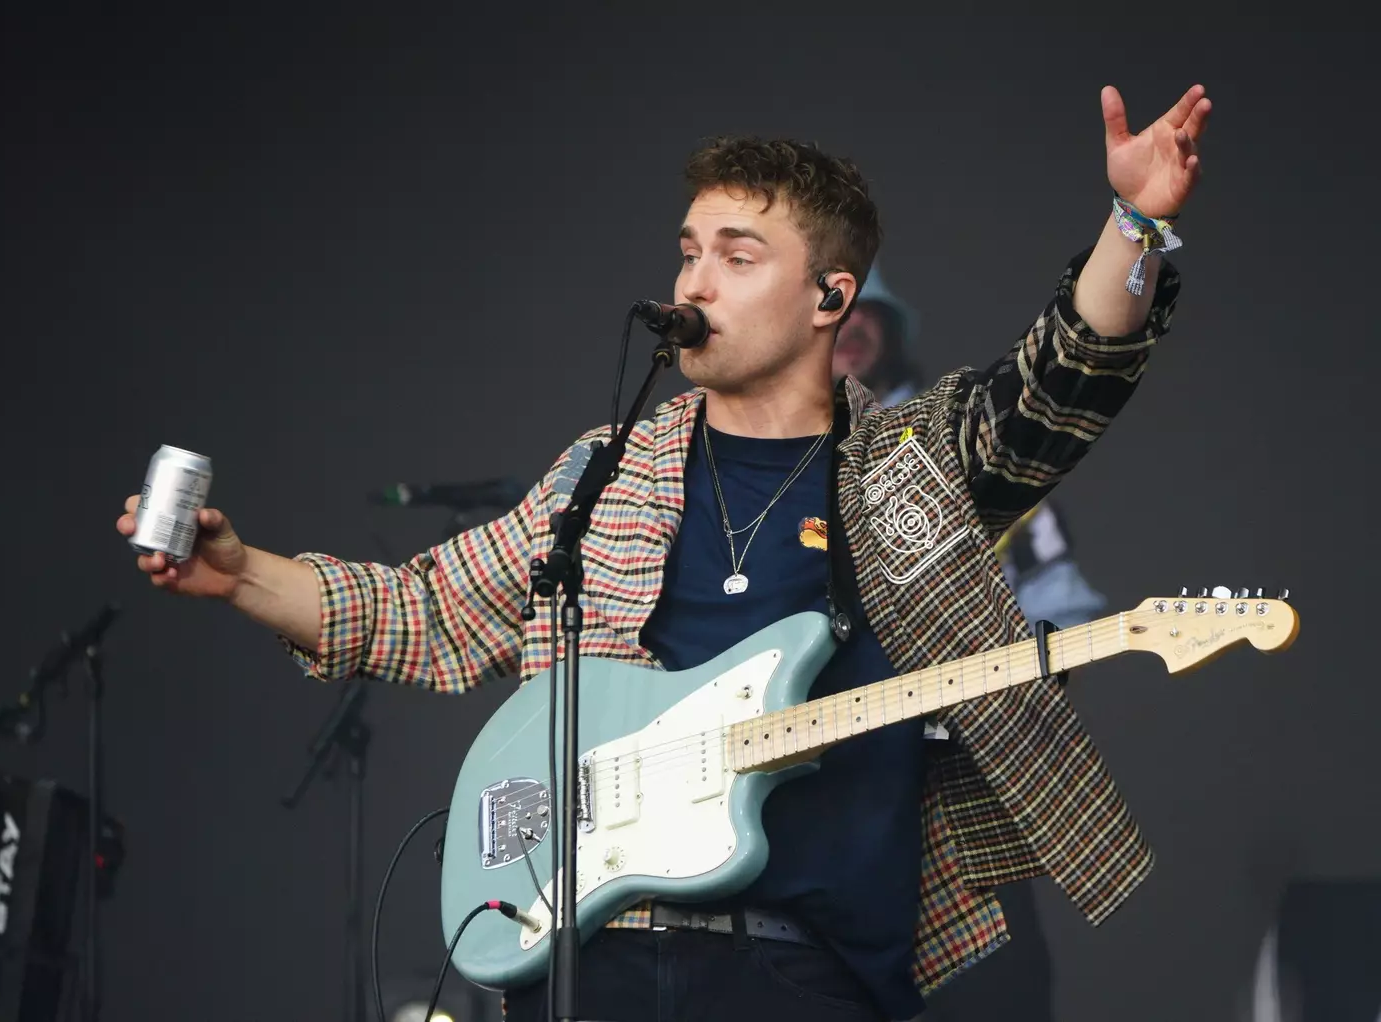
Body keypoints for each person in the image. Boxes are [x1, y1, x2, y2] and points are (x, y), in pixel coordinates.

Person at [116, 84, 1211, 1022]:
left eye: (738, 257)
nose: (693, 284)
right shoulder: (609, 470)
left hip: (807, 969)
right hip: (594, 958)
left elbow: (1060, 379)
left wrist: (1134, 221)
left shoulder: (909, 461)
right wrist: (242, 571)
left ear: (833, 295)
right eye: (689, 253)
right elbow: (426, 610)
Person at [832, 264, 1108, 633]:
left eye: (869, 309)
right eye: (838, 309)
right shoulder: (771, 457)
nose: (854, 322)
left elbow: (1060, 607)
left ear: (891, 330)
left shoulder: (968, 433)